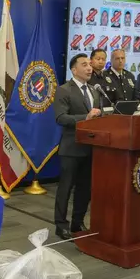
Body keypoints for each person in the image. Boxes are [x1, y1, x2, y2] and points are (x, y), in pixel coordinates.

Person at [53, 53, 101, 240]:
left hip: (90, 148)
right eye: (84, 65)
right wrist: (85, 118)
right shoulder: (64, 90)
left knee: (85, 188)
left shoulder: (95, 90)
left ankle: (77, 221)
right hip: (71, 148)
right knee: (65, 188)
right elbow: (60, 118)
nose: (89, 68)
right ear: (74, 70)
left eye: (90, 64)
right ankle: (61, 225)